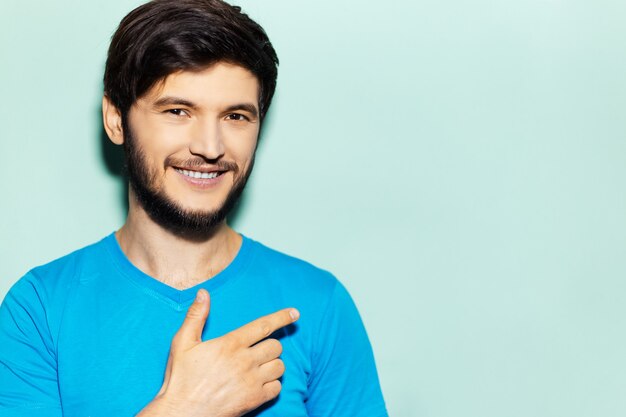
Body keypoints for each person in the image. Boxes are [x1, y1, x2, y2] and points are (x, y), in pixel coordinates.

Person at [0, 0, 387, 416]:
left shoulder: (319, 304)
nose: (210, 147)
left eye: (236, 116)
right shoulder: (39, 310)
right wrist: (185, 406)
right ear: (116, 119)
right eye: (178, 111)